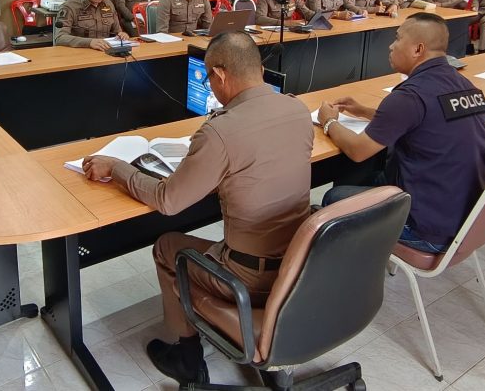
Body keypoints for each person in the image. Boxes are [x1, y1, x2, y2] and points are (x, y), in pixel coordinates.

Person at [81, 32, 313, 385]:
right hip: (301, 266)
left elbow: (168, 200)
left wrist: (117, 168)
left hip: (251, 279)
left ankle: (186, 357)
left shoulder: (221, 132)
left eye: (208, 79)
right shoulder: (297, 109)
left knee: (166, 246)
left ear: (219, 75)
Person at [317, 14, 485, 253]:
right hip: (467, 216)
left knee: (335, 198)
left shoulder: (410, 95)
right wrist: (364, 111)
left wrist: (328, 121)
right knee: (365, 175)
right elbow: (422, 119)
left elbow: (358, 150)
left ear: (417, 49)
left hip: (426, 228)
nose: (391, 46)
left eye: (397, 39)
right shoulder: (464, 85)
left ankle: (349, 260)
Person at [53, 0, 128, 50]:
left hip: (106, 52)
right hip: (80, 53)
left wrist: (122, 35)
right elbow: (60, 38)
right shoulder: (69, 7)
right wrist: (89, 42)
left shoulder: (108, 4)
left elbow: (117, 32)